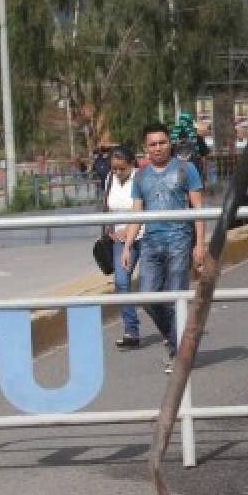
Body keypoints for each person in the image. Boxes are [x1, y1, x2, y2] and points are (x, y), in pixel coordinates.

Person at [120, 123, 206, 373]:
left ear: (170, 143)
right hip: (150, 243)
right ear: (145, 148)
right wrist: (127, 247)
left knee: (175, 299)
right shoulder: (140, 176)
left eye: (162, 142)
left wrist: (200, 245)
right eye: (152, 144)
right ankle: (177, 340)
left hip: (180, 240)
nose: (158, 148)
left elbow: (199, 210)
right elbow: (137, 212)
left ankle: (179, 354)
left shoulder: (186, 169)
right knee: (148, 298)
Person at [105, 146, 142, 349]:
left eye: (122, 169)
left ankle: (168, 329)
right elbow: (108, 207)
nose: (118, 173)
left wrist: (129, 229)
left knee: (152, 286)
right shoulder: (110, 179)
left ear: (132, 164)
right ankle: (131, 330)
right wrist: (111, 228)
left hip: (144, 236)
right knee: (121, 282)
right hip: (120, 241)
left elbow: (143, 209)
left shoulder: (141, 179)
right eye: (114, 169)